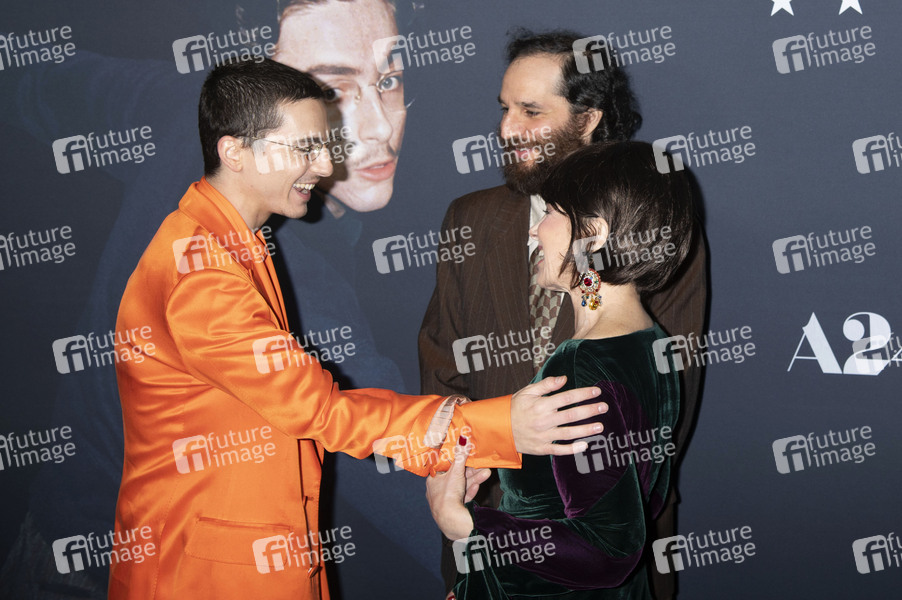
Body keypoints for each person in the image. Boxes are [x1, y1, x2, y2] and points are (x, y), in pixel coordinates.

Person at [108, 57, 608, 600]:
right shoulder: (203, 272)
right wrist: (499, 426)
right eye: (306, 148)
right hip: (210, 572)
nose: (326, 166)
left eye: (324, 145)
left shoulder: (223, 243)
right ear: (234, 152)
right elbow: (319, 410)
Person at [418, 30, 707, 598]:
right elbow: (442, 371)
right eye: (504, 109)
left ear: (588, 118)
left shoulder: (656, 226)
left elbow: (667, 398)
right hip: (490, 530)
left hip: (595, 553)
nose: (508, 129)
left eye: (531, 111)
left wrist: (484, 528)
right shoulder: (469, 220)